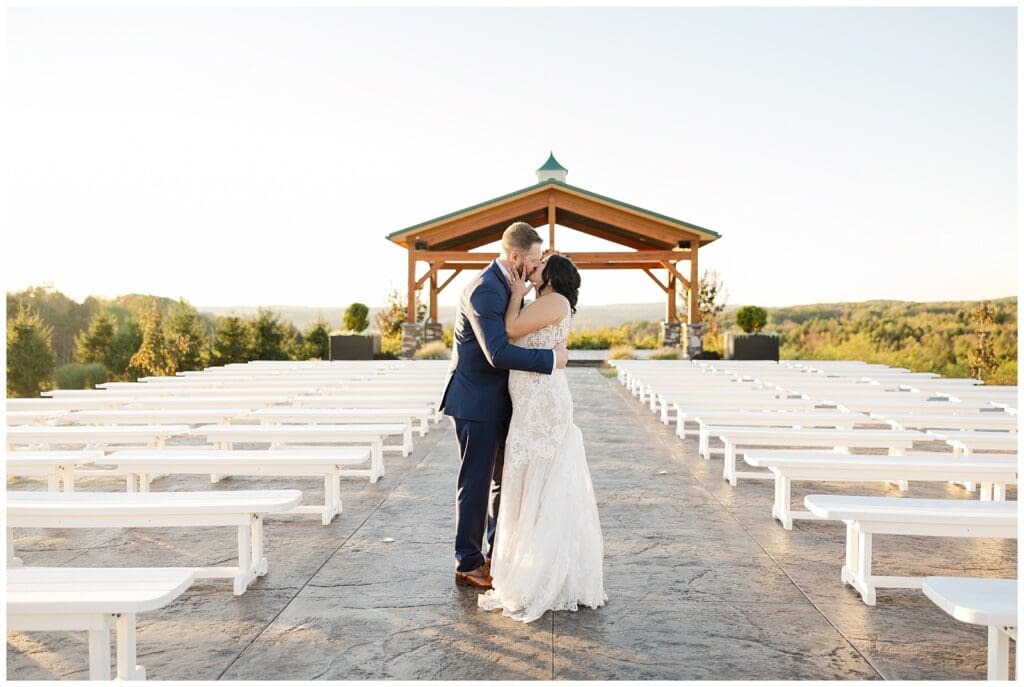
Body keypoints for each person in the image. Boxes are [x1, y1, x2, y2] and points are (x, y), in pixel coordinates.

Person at [477, 253, 607, 623]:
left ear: (550, 275)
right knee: (529, 480)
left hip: (542, 405)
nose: (530, 269)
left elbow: (512, 330)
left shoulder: (553, 300)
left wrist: (516, 293)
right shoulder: (544, 301)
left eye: (538, 266)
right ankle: (532, 562)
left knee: (541, 481)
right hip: (531, 400)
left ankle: (544, 573)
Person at [439, 222, 569, 590]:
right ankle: (467, 561)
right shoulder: (484, 289)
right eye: (533, 260)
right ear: (515, 257)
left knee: (501, 482)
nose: (536, 266)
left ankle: (497, 554)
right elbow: (496, 353)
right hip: (476, 401)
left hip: (502, 402)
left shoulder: (510, 288)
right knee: (476, 482)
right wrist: (551, 360)